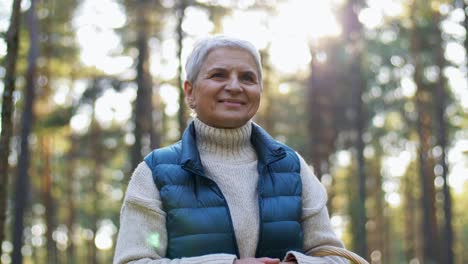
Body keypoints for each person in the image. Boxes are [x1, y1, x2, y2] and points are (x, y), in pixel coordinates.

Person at [114, 36, 352, 264]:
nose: (235, 86)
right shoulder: (155, 172)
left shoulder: (291, 166)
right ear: (190, 92)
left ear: (259, 90)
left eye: (248, 78)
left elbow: (334, 257)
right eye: (218, 75)